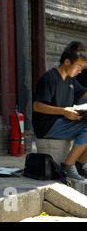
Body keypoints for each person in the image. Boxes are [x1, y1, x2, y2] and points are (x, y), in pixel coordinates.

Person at [33, 41, 87, 181]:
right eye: (79, 67)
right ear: (67, 62)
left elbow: (83, 93)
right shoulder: (49, 78)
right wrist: (63, 111)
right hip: (47, 126)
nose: (80, 71)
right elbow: (37, 106)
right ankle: (68, 166)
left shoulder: (70, 80)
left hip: (62, 122)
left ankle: (81, 165)